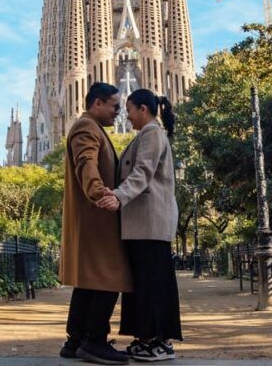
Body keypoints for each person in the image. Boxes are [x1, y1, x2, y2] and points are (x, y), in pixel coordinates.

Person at [97, 89, 182, 362]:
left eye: (130, 109)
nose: (126, 115)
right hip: (142, 225)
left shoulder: (152, 134)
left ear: (143, 109)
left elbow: (142, 172)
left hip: (151, 224)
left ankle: (160, 342)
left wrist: (118, 197)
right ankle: (145, 338)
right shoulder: (146, 135)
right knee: (143, 284)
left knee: (152, 285)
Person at [59, 82, 133, 365]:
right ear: (98, 103)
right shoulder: (86, 127)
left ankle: (75, 341)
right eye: (115, 107)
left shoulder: (92, 127)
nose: (118, 113)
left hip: (93, 218)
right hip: (96, 218)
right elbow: (85, 162)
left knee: (89, 282)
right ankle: (94, 341)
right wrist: (100, 194)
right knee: (109, 277)